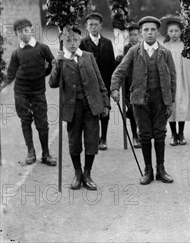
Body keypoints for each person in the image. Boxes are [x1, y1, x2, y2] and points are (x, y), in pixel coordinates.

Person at [110, 16, 178, 185]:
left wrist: (170, 101)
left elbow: (173, 79)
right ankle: (148, 170)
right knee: (145, 134)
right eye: (146, 30)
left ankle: (161, 169)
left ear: (158, 32)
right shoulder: (133, 52)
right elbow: (120, 72)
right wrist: (114, 88)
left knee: (160, 133)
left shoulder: (165, 53)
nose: (149, 33)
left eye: (153, 30)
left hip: (160, 100)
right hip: (140, 100)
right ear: (141, 33)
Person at [49, 26, 110, 190]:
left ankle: (87, 173)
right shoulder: (60, 60)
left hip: (91, 106)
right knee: (74, 141)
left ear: (80, 40)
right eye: (68, 40)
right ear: (63, 41)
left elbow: (100, 80)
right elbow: (53, 83)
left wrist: (106, 102)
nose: (72, 43)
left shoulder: (88, 57)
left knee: (91, 140)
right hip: (72, 108)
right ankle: (77, 173)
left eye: (75, 39)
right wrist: (57, 64)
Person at [1, 18, 56, 166]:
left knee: (42, 123)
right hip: (21, 92)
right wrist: (2, 86)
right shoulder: (16, 53)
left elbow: (53, 64)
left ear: (31, 30)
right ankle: (30, 152)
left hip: (38, 91)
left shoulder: (42, 48)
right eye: (20, 32)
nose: (23, 34)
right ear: (17, 34)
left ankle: (46, 154)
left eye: (26, 30)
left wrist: (43, 73)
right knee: (25, 121)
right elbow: (11, 74)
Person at [80, 12, 116, 150]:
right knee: (90, 111)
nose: (93, 27)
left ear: (101, 26)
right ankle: (93, 138)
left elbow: (112, 64)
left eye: (96, 25)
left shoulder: (107, 43)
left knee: (105, 111)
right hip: (88, 83)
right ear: (86, 27)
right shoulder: (82, 43)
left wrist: (113, 85)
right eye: (91, 25)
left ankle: (104, 138)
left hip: (105, 82)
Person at [161, 16, 190, 147]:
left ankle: (181, 133)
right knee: (171, 106)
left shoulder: (185, 46)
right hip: (169, 80)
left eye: (176, 31)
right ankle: (173, 134)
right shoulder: (164, 47)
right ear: (167, 32)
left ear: (181, 32)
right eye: (171, 31)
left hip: (182, 80)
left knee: (181, 106)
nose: (174, 34)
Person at [115, 22, 142, 148]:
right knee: (132, 111)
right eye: (130, 35)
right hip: (129, 85)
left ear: (139, 35)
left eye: (135, 35)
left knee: (142, 110)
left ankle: (142, 133)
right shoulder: (124, 49)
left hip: (141, 84)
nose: (133, 37)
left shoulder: (143, 47)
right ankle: (134, 135)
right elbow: (120, 68)